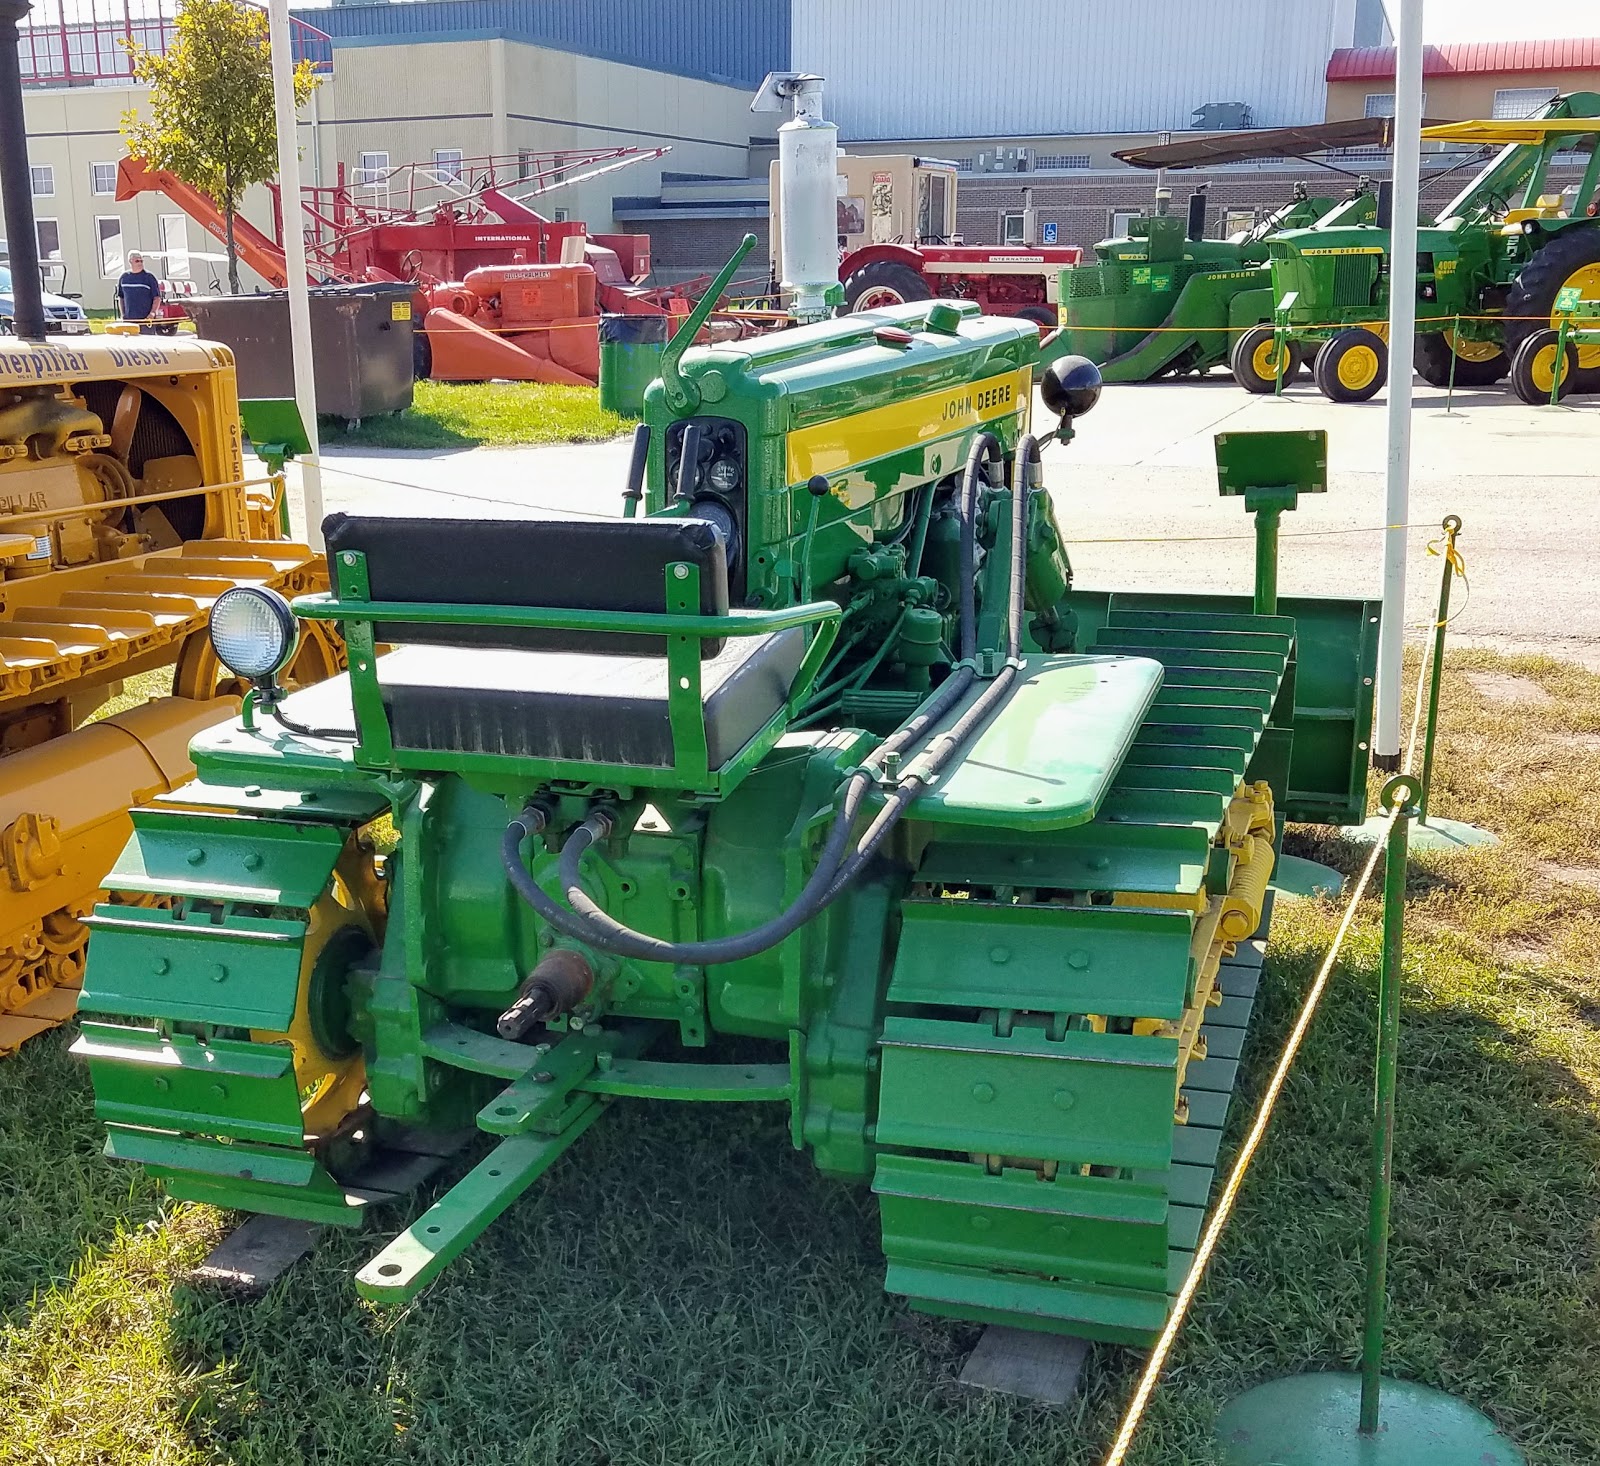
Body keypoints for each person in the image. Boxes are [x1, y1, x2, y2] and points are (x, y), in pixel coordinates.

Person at [115, 252, 163, 328]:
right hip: (129, 320)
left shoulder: (149, 277)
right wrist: (123, 314)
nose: (140, 263)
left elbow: (157, 298)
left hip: (146, 320)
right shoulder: (124, 278)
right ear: (130, 261)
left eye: (141, 261)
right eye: (137, 261)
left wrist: (152, 313)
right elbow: (121, 297)